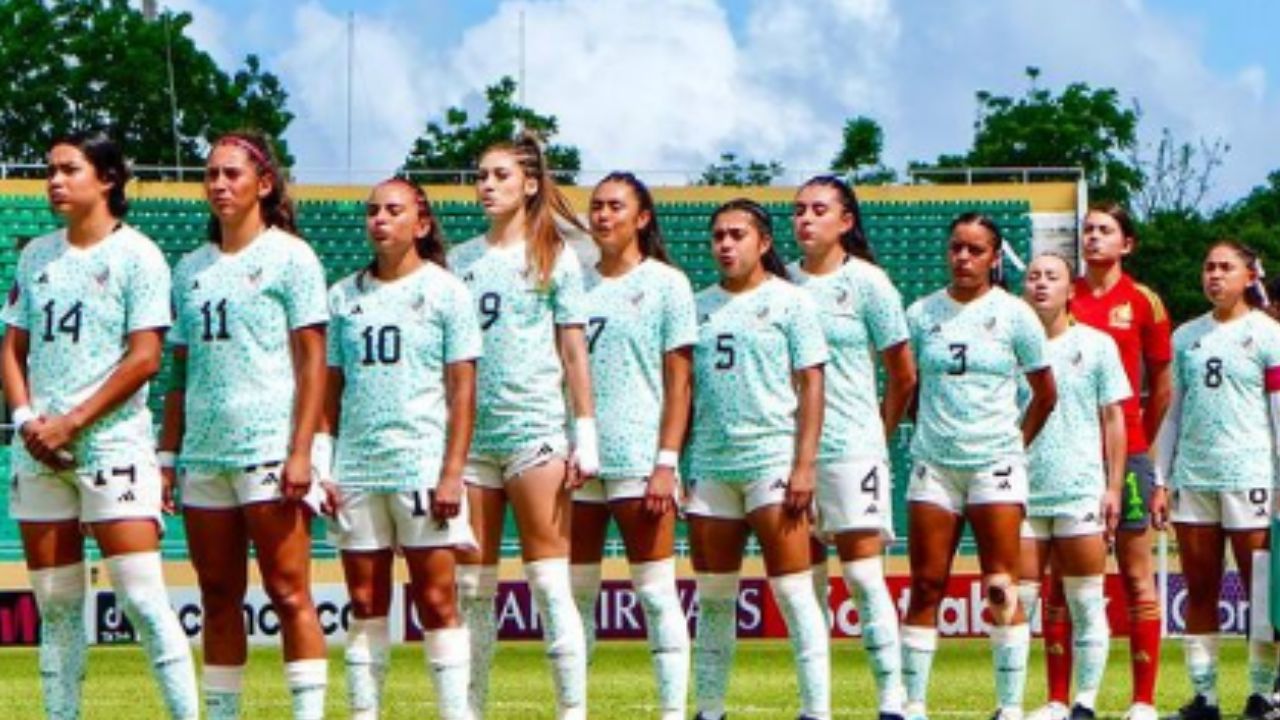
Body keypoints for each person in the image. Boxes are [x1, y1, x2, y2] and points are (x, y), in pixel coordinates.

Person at [1, 130, 197, 719]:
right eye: (50, 170)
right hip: (38, 450)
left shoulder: (138, 255)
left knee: (141, 599)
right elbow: (12, 348)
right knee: (57, 608)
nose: (55, 181)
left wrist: (73, 422)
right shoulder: (36, 255)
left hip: (112, 446)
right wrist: (26, 420)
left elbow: (145, 358)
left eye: (69, 169)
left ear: (107, 178)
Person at [157, 131, 330, 720]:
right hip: (205, 455)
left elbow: (312, 361)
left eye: (231, 174)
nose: (219, 185)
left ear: (263, 183)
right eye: (211, 174)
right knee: (217, 596)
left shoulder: (291, 256)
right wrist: (167, 456)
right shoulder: (190, 268)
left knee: (288, 592)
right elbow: (179, 373)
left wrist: (303, 449)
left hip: (269, 449)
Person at [319, 178, 481, 720]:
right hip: (358, 469)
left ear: (422, 223)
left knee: (437, 601)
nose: (379, 219)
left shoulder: (446, 292)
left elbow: (462, 390)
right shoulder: (342, 296)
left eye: (393, 210)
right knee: (365, 605)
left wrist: (453, 471)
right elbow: (330, 390)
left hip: (421, 465)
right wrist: (324, 464)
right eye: (372, 211)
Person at [450, 132, 598, 720]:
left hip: (533, 431)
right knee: (471, 590)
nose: (488, 185)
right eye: (482, 175)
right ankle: (468, 708)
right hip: (472, 442)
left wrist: (583, 431)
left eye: (501, 176)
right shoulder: (459, 261)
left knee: (548, 582)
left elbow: (573, 353)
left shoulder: (554, 257)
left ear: (530, 184)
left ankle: (572, 711)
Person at [900, 212, 1057, 720]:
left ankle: (1009, 706)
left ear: (994, 257)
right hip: (935, 466)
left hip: (995, 464)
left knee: (1000, 583)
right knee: (926, 584)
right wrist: (927, 425)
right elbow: (906, 386)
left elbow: (1044, 394)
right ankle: (914, 703)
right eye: (956, 249)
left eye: (975, 250)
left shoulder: (1014, 315)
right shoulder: (922, 313)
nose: (963, 258)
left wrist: (1014, 444)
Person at [686, 199, 832, 720]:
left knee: (794, 594)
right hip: (711, 466)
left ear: (763, 243)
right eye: (719, 236)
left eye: (737, 235)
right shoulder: (696, 305)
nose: (726, 245)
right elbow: (682, 390)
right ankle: (709, 709)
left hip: (771, 459)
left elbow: (814, 383)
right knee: (715, 599)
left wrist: (804, 463)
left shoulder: (791, 303)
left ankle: (816, 711)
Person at [789, 175, 917, 719]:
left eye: (819, 209)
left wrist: (875, 437)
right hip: (789, 454)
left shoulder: (868, 283)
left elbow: (903, 375)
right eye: (798, 210)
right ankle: (816, 706)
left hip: (850, 448)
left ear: (845, 221)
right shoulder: (779, 284)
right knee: (803, 586)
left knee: (864, 577)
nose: (805, 219)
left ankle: (892, 699)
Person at [568, 172, 695, 720]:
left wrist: (667, 462)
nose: (602, 215)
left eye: (615, 206)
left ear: (642, 217)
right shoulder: (570, 282)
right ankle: (572, 708)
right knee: (573, 596)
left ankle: (671, 711)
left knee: (655, 590)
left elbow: (680, 382)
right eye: (595, 206)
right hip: (576, 460)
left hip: (640, 457)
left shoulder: (667, 284)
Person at [1156, 242, 1280, 720]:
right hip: (1195, 478)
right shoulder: (1187, 336)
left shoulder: (1267, 334)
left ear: (1249, 276)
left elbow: (1277, 413)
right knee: (1200, 588)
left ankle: (1260, 693)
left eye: (1226, 267)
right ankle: (1204, 698)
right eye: (1208, 266)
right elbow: (1174, 413)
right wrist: (1163, 479)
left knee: (1261, 589)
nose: (1215, 275)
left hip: (1251, 475)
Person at [1059, 202, 1172, 720]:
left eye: (1105, 231)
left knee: (1135, 574)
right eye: (1087, 230)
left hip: (1129, 452)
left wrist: (1141, 437)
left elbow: (1162, 381)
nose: (1093, 238)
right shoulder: (1064, 295)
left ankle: (1143, 700)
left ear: (1126, 244)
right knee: (1062, 577)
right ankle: (1061, 700)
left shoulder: (1144, 302)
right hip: (1069, 453)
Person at [1017, 253, 1130, 720]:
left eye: (1052, 276)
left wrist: (1113, 487)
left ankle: (1084, 701)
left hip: (1079, 486)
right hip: (1021, 490)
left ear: (1070, 289)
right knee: (1019, 600)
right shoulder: (1010, 345)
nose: (1041, 284)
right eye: (1034, 276)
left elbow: (1113, 418)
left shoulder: (1098, 345)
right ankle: (1027, 702)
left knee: (1085, 598)